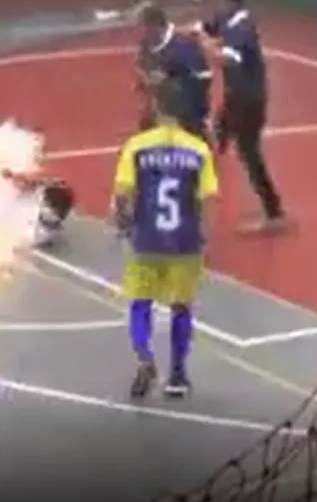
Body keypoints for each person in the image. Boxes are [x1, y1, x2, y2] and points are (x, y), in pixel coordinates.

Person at [112, 78, 219, 398]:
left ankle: (144, 357)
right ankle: (177, 374)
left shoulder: (137, 146)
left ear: (156, 107)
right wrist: (205, 237)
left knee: (139, 305)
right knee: (181, 308)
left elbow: (122, 193)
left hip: (146, 239)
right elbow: (207, 199)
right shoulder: (198, 149)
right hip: (184, 241)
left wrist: (124, 222)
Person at [195, 0, 287, 233]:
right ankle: (205, 181)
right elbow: (207, 27)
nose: (214, 4)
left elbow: (227, 59)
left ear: (229, 0)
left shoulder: (242, 28)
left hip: (249, 99)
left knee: (249, 153)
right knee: (217, 132)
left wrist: (204, 44)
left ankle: (274, 211)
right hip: (236, 95)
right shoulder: (227, 19)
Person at [135, 2, 212, 138]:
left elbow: (204, 77)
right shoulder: (146, 45)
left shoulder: (183, 45)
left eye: (141, 26)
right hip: (161, 106)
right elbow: (142, 67)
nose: (137, 32)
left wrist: (168, 79)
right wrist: (146, 80)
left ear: (154, 26)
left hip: (187, 106)